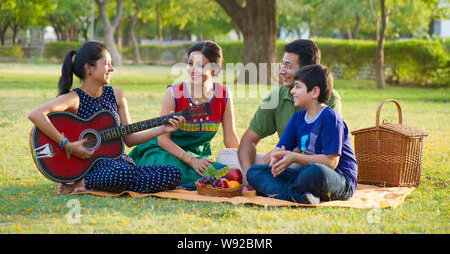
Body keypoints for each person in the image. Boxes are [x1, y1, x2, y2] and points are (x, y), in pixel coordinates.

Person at [28, 41, 183, 194]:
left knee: (173, 173)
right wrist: (67, 145)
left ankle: (93, 184)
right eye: (107, 64)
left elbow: (129, 139)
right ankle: (83, 182)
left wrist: (162, 129)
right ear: (89, 68)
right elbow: (35, 114)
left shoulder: (117, 94)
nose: (112, 68)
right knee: (124, 173)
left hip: (119, 163)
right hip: (91, 165)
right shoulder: (74, 98)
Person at [216, 39, 342, 189]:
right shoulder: (276, 96)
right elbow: (248, 140)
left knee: (297, 166)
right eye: (282, 64)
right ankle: (259, 178)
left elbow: (312, 147)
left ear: (307, 69)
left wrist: (276, 157)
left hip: (310, 162)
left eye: (288, 66)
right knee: (224, 156)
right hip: (282, 158)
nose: (282, 71)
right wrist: (248, 173)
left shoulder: (328, 97)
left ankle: (267, 180)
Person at [129, 41, 240, 189]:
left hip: (199, 158)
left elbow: (230, 137)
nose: (193, 70)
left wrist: (239, 162)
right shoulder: (173, 93)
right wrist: (191, 160)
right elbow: (163, 140)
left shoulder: (223, 95)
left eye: (201, 66)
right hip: (164, 152)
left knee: (227, 174)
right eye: (190, 64)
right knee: (175, 171)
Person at [246, 64, 357, 204]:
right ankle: (300, 195)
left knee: (315, 172)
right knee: (255, 172)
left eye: (297, 87)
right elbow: (280, 149)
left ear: (315, 92)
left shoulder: (330, 117)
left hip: (339, 179)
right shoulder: (297, 118)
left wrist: (294, 157)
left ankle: (286, 193)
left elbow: (331, 162)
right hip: (305, 176)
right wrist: (275, 160)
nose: (292, 91)